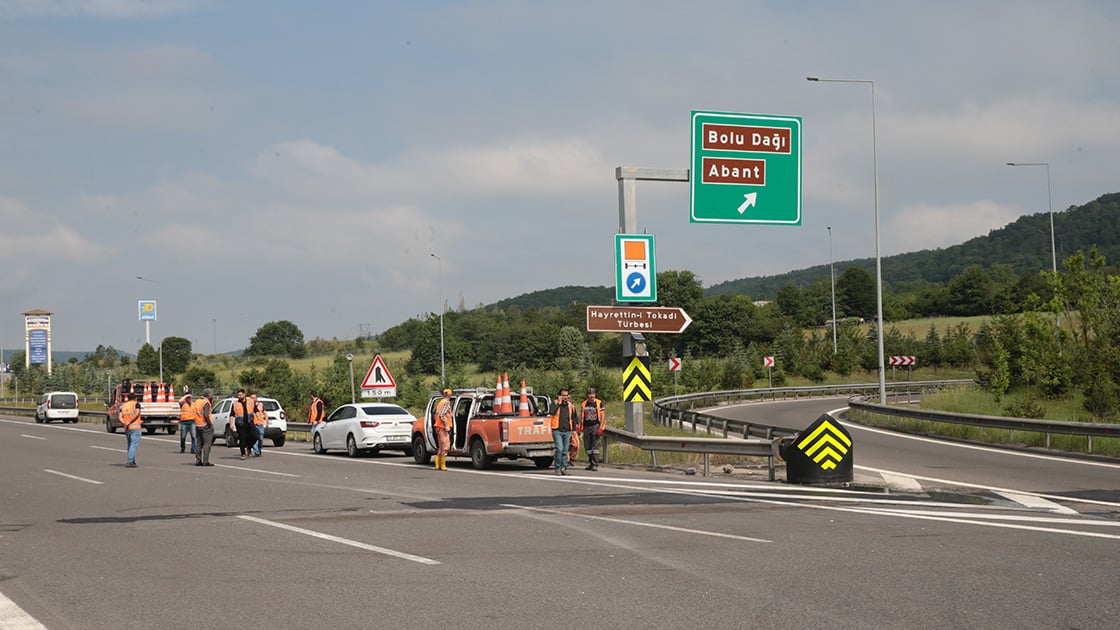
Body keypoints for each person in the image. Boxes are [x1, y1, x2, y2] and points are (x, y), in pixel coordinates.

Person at [550, 388, 576, 475]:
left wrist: (574, 430)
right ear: (559, 396)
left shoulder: (570, 405)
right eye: (563, 395)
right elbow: (551, 412)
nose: (565, 397)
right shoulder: (555, 403)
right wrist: (559, 404)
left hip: (567, 431)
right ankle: (557, 467)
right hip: (557, 430)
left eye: (566, 395)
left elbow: (574, 418)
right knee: (559, 449)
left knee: (565, 451)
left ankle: (564, 467)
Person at [580, 388, 605, 471]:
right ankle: (590, 462)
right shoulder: (584, 404)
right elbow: (581, 416)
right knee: (587, 447)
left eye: (593, 394)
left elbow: (602, 416)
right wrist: (580, 427)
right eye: (590, 394)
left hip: (595, 426)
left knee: (595, 446)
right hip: (586, 426)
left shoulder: (599, 403)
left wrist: (601, 427)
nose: (592, 396)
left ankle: (595, 464)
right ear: (587, 395)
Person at [120, 392, 142, 468]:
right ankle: (130, 461)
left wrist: (125, 423)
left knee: (130, 445)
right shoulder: (136, 404)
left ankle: (132, 461)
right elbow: (137, 413)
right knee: (133, 444)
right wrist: (129, 422)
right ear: (135, 398)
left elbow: (120, 417)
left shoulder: (123, 406)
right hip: (135, 427)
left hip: (127, 428)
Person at [433, 388, 453, 471]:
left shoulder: (440, 402)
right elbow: (441, 414)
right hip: (443, 427)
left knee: (441, 447)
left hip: (438, 426)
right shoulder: (446, 403)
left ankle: (438, 465)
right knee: (446, 446)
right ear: (449, 395)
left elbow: (436, 415)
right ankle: (442, 465)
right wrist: (446, 425)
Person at [231, 389, 254, 460]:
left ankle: (249, 448)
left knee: (255, 436)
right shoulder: (235, 403)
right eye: (238, 395)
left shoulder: (250, 401)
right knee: (242, 438)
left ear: (244, 395)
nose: (239, 396)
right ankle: (243, 454)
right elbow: (232, 414)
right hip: (240, 424)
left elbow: (255, 411)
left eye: (240, 395)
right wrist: (231, 424)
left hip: (250, 422)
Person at [194, 389, 215, 466]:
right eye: (211, 394)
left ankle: (198, 460)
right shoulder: (206, 402)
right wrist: (210, 424)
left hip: (197, 425)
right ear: (208, 394)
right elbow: (206, 415)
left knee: (199, 444)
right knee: (207, 444)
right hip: (205, 425)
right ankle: (205, 461)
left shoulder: (197, 401)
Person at [178, 388, 198, 454]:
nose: (189, 398)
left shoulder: (193, 404)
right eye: (188, 397)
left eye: (190, 397)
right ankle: (183, 447)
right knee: (183, 437)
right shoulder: (183, 403)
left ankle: (193, 449)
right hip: (184, 422)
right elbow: (179, 400)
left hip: (192, 421)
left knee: (193, 436)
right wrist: (185, 396)